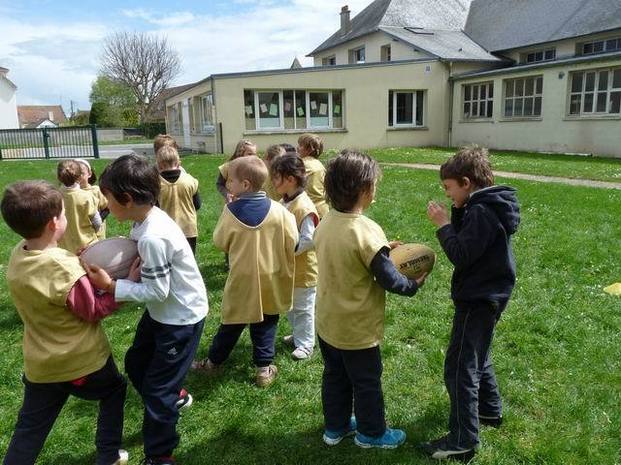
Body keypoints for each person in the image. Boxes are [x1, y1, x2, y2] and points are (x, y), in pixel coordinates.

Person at [89, 154, 208, 465]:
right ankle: (176, 397)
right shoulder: (145, 219)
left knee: (157, 391)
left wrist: (113, 286)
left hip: (179, 317)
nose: (105, 205)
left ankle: (160, 455)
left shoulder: (153, 237)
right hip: (162, 313)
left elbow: (158, 290)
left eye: (108, 199)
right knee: (137, 363)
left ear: (127, 199)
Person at [1, 180, 127, 465]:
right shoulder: (62, 267)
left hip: (41, 365)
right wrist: (123, 287)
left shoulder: (20, 254)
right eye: (64, 214)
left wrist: (76, 260)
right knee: (114, 390)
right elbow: (94, 309)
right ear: (52, 224)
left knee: (30, 429)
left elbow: (52, 279)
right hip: (81, 362)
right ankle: (108, 455)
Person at [314, 150, 426, 449]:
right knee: (366, 382)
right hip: (357, 328)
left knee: (335, 376)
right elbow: (389, 279)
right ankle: (371, 433)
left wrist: (382, 249)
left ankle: (335, 428)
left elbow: (347, 254)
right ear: (364, 190)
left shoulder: (325, 222)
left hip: (327, 321)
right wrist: (412, 285)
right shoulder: (367, 230)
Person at [423, 145, 520, 462]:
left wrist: (442, 225)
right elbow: (470, 241)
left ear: (466, 182)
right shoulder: (482, 205)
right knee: (479, 355)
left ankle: (463, 440)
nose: (448, 195)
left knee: (459, 368)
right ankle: (489, 412)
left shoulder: (482, 211)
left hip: (478, 298)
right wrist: (457, 211)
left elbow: (461, 254)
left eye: (449, 189)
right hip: (488, 293)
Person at [193, 156, 298, 387]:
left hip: (242, 278)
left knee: (231, 323)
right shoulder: (280, 211)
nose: (227, 185)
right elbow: (294, 239)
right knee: (267, 323)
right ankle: (263, 369)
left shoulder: (230, 212)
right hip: (271, 276)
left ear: (245, 185)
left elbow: (220, 241)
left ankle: (212, 363)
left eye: (230, 181)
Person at [270, 153, 318, 360]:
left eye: (276, 177)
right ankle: (299, 335)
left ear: (290, 180)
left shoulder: (304, 206)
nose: (273, 182)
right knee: (290, 305)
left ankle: (306, 344)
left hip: (304, 270)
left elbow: (308, 239)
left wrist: (286, 250)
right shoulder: (284, 202)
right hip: (289, 268)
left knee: (303, 308)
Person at [155, 145, 201, 255]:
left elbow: (154, 209)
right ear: (178, 164)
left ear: (159, 166)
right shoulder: (190, 180)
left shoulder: (155, 184)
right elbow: (197, 204)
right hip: (188, 228)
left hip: (166, 229)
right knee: (189, 259)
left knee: (169, 259)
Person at [56, 159, 100, 254]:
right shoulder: (87, 196)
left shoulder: (55, 197)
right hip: (88, 246)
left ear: (59, 178)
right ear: (80, 177)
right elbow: (97, 221)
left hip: (64, 248)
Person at [75, 158, 109, 240]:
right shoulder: (72, 193)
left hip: (97, 233)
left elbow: (107, 208)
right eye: (75, 174)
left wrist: (97, 221)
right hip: (79, 232)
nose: (79, 177)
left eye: (82, 174)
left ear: (89, 174)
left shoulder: (96, 190)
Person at [297, 133, 329, 218]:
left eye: (300, 146)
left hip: (309, 208)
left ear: (309, 150)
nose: (297, 148)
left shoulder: (302, 164)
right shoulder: (320, 164)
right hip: (323, 208)